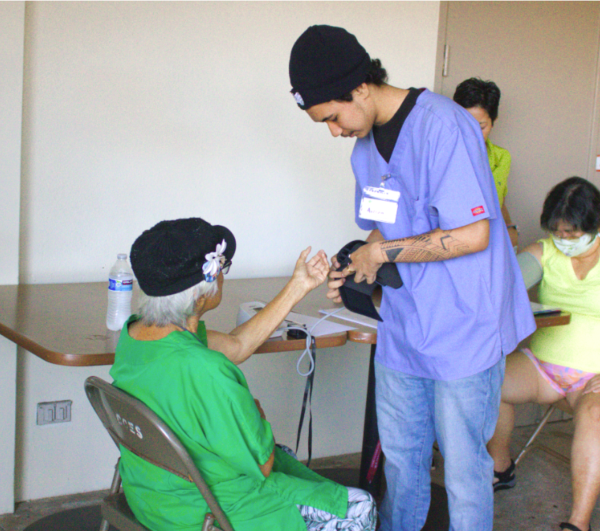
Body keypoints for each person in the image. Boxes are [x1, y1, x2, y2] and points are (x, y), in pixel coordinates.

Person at [288, 25, 535, 531]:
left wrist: (382, 250)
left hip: (465, 324)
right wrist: (361, 264)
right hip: (405, 323)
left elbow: (474, 235)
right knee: (402, 462)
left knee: (465, 471)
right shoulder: (364, 150)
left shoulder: (444, 126)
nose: (333, 131)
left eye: (333, 117)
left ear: (359, 87)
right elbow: (385, 224)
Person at [109, 217, 377, 531]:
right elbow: (261, 466)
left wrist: (297, 287)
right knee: (360, 507)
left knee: (283, 456)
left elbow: (237, 345)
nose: (224, 277)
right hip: (207, 512)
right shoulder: (207, 372)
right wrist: (254, 413)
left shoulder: (138, 333)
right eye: (223, 269)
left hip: (153, 497)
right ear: (201, 293)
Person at [488, 177, 600, 531]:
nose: (564, 240)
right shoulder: (545, 251)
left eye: (572, 232)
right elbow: (507, 282)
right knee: (490, 377)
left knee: (596, 415)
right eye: (557, 232)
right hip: (543, 369)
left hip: (594, 379)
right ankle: (500, 466)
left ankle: (578, 523)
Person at [453, 77, 519, 249]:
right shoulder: (440, 155)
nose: (472, 134)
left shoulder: (501, 158)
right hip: (449, 242)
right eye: (465, 125)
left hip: (488, 241)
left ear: (493, 122)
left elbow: (499, 201)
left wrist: (510, 227)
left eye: (481, 127)